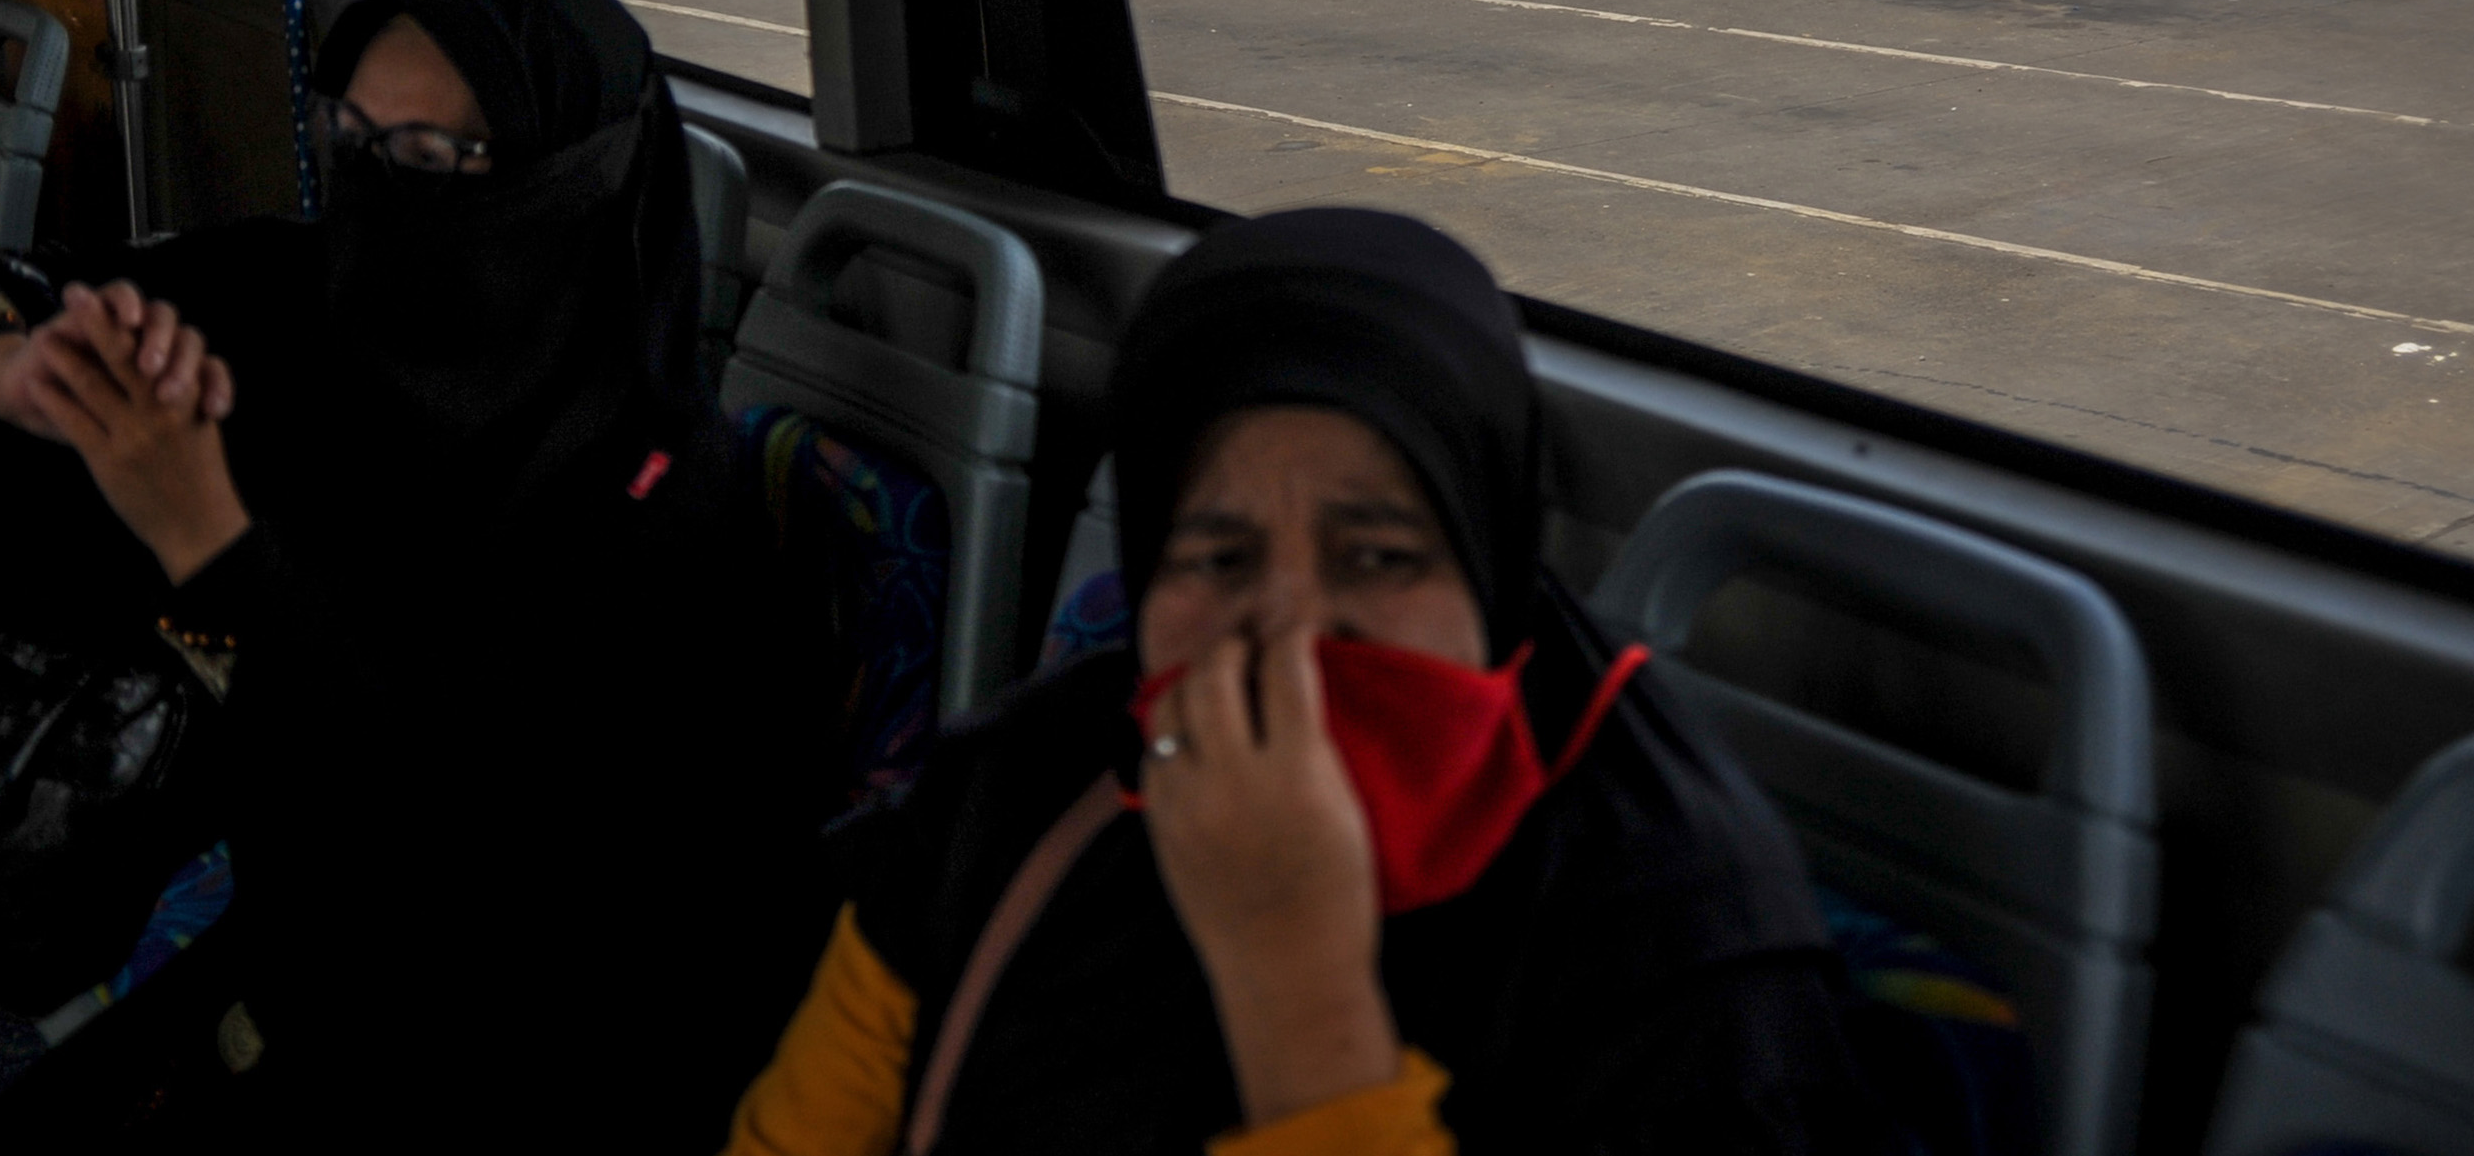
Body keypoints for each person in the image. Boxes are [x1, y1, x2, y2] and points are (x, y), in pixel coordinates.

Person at [0, 0, 843, 1151]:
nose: (381, 191)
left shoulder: (659, 493)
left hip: (534, 1058)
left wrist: (205, 536)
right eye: (352, 138)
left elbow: (476, 852)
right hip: (296, 978)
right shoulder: (298, 299)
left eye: (435, 160)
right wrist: (13, 373)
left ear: (572, 184)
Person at [721, 209, 1887, 1155]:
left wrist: (1298, 992)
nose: (1284, 626)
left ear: (1484, 560)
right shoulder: (1018, 793)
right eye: (1217, 558)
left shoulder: (1681, 961)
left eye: (1374, 555)